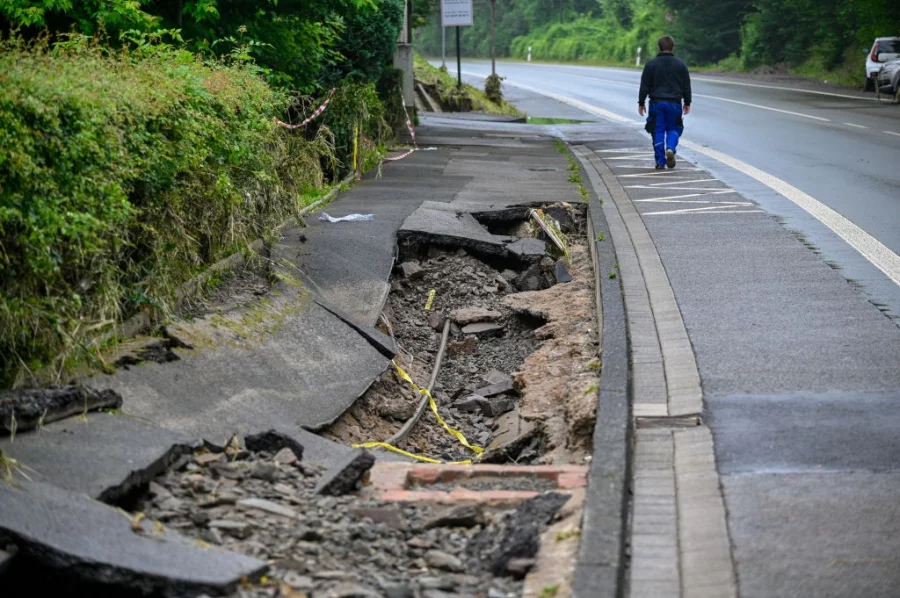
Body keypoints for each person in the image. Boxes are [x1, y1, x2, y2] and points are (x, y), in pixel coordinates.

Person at [638, 35, 692, 169]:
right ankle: (671, 148)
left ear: (659, 47)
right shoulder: (681, 65)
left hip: (656, 103)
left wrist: (641, 102)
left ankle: (660, 162)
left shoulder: (651, 65)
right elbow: (686, 85)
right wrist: (687, 102)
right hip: (674, 103)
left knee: (658, 131)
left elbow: (644, 85)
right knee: (674, 128)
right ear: (673, 47)